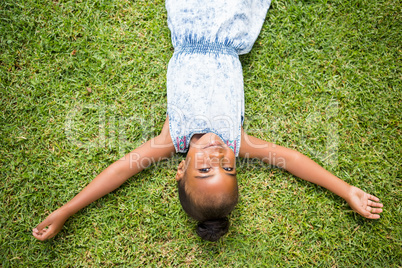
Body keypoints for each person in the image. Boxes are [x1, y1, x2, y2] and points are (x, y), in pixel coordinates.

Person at [33, 0, 383, 242]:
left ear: (180, 170)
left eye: (204, 170)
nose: (217, 159)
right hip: (231, 26)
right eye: (229, 170)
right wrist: (345, 190)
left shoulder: (170, 140)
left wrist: (67, 210)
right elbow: (292, 161)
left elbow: (119, 171)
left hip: (189, 23)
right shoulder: (238, 141)